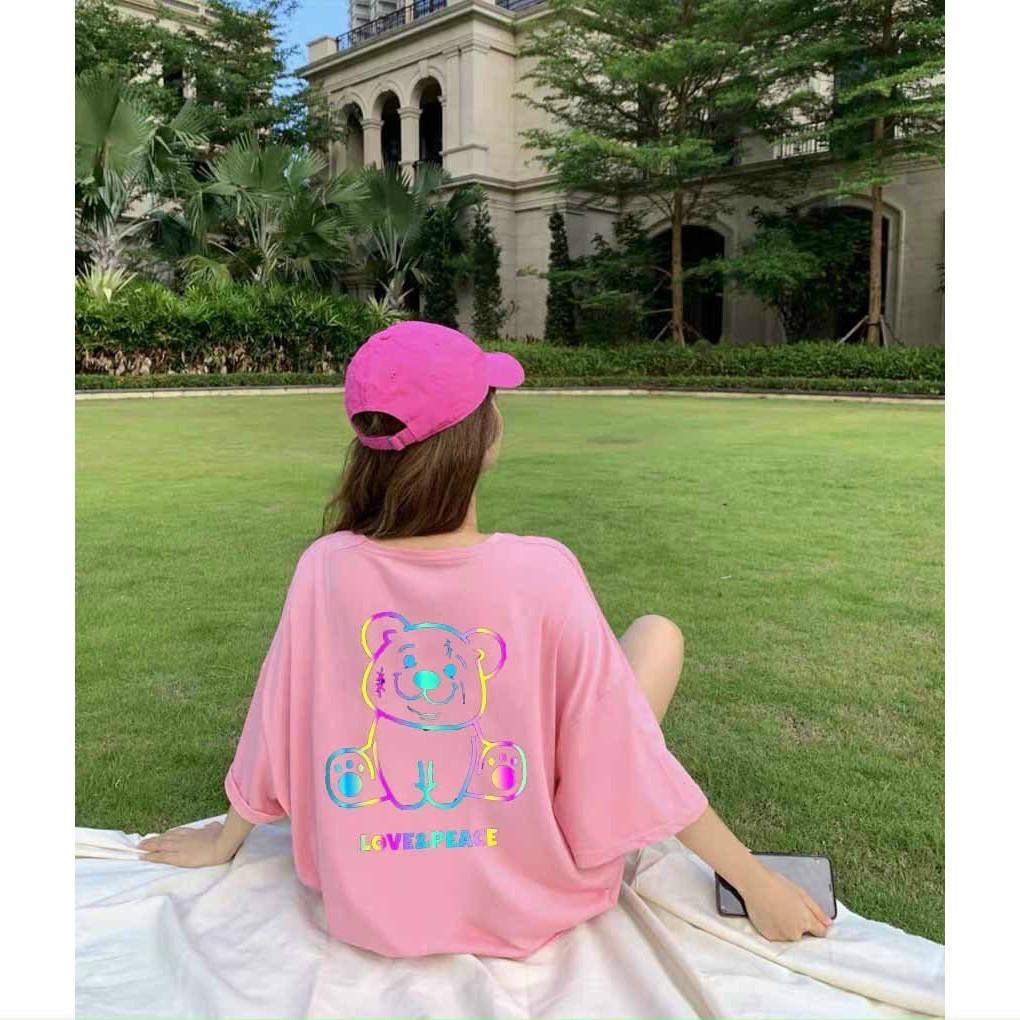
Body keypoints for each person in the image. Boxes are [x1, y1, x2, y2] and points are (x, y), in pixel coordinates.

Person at [140, 321, 832, 957]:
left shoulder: (326, 568)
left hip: (372, 903)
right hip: (535, 894)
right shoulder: (540, 570)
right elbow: (623, 743)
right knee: (654, 639)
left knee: (642, 650)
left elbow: (275, 722)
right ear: (482, 434)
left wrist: (225, 839)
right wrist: (754, 882)